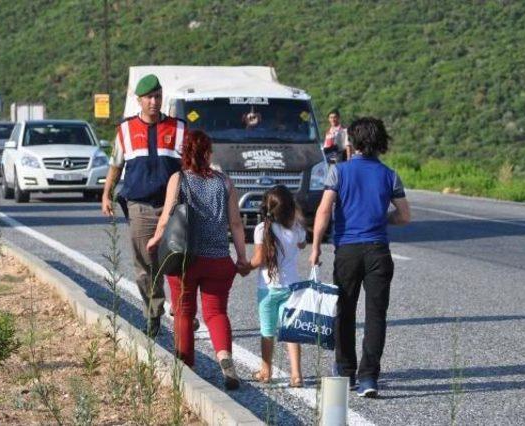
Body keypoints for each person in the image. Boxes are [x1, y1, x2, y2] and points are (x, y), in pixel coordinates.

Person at [309, 117, 411, 398]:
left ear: (351, 141)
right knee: (376, 315)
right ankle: (369, 378)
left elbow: (324, 211)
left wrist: (316, 246)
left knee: (345, 311)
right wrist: (381, 217)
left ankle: (345, 371)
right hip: (378, 250)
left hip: (347, 252)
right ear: (381, 143)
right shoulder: (390, 175)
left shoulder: (338, 172)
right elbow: (404, 216)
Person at [146, 129, 248, 390]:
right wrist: (241, 257)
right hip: (218, 260)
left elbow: (167, 216)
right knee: (216, 313)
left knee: (184, 311)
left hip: (185, 259)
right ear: (208, 153)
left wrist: (155, 239)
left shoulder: (178, 179)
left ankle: (186, 367)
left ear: (185, 153)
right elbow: (235, 223)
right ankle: (225, 358)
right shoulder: (225, 182)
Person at [101, 74, 185, 338]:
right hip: (140, 207)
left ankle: (183, 311)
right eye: (149, 97)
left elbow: (190, 167)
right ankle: (153, 312)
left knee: (178, 261)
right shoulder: (125, 130)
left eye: (158, 97)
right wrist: (107, 194)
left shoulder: (179, 128)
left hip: (173, 206)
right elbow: (116, 164)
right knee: (144, 265)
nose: (153, 102)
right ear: (139, 100)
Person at [247, 185, 305, 388]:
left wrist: (244, 267)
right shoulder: (296, 229)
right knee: (291, 332)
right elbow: (302, 244)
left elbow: (258, 259)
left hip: (268, 288)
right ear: (290, 208)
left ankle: (266, 370)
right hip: (291, 287)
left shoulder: (262, 230)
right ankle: (296, 374)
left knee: (267, 331)